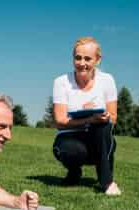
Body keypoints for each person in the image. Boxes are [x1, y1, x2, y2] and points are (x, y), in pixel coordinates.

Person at [52, 37, 121, 195]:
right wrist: (89, 119)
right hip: (70, 137)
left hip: (98, 136)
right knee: (71, 150)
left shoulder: (107, 80)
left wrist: (101, 117)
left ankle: (106, 181)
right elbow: (60, 121)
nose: (82, 63)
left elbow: (114, 117)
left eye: (87, 58)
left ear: (97, 60)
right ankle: (74, 172)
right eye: (78, 58)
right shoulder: (61, 82)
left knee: (104, 125)